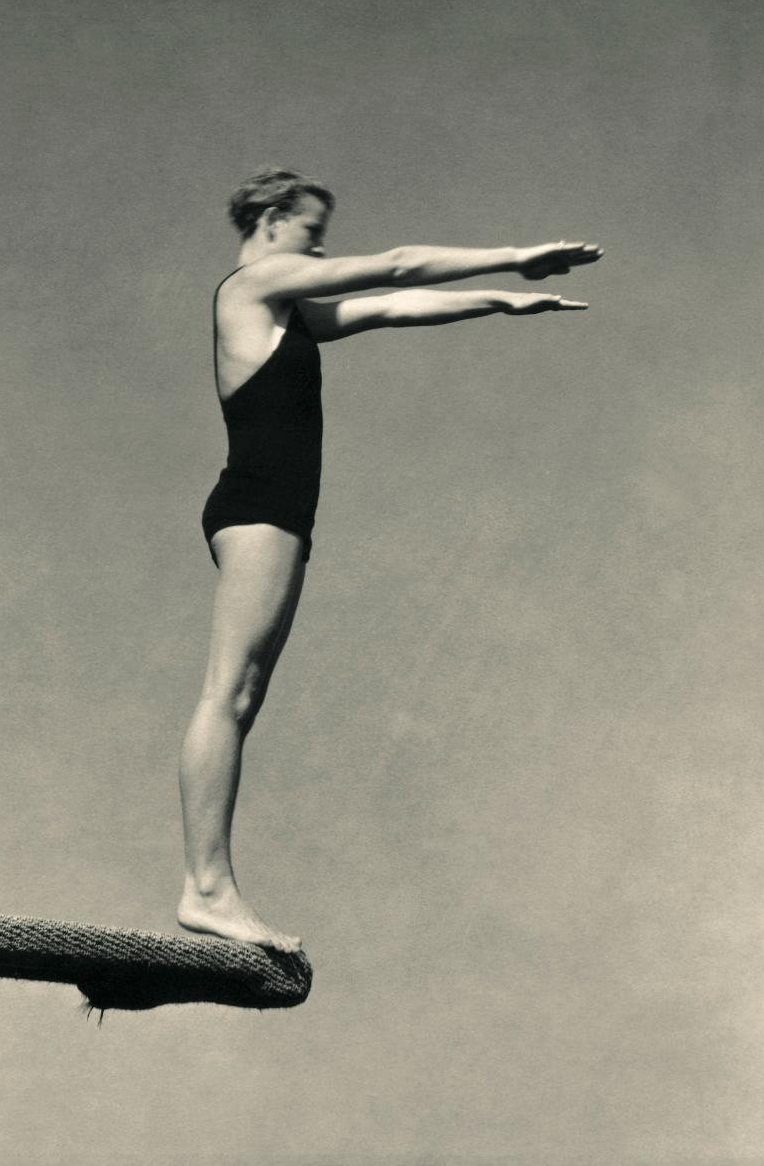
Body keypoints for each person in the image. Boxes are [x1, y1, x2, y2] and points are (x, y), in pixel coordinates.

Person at [177, 165, 603, 952]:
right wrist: (516, 256)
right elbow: (399, 264)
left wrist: (500, 300)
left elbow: (395, 304)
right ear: (272, 220)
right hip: (259, 505)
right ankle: (207, 888)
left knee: (243, 695)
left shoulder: (291, 310)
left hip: (276, 511)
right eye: (313, 232)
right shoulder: (254, 285)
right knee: (227, 692)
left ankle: (211, 886)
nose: (321, 248)